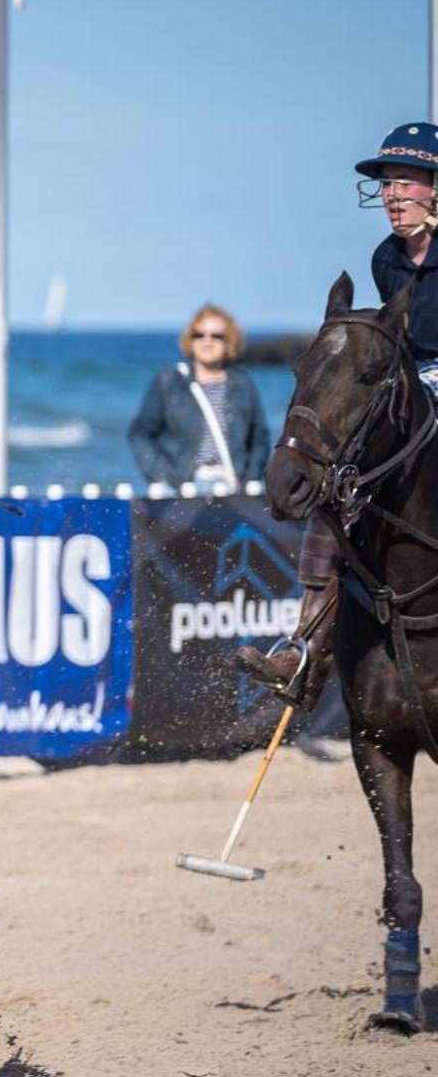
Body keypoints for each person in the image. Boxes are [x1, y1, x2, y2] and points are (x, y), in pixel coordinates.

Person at [242, 122, 438, 707]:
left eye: (406, 183)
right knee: (338, 494)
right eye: (386, 185)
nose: (392, 197)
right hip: (417, 396)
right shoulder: (387, 257)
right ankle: (303, 649)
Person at [126, 305, 268, 486]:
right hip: (184, 483)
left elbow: (260, 437)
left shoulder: (243, 383)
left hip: (233, 482)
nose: (207, 341)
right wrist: (162, 475)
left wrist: (251, 476)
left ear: (230, 341)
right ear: (190, 340)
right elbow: (141, 433)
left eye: (216, 336)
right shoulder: (169, 380)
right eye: (199, 334)